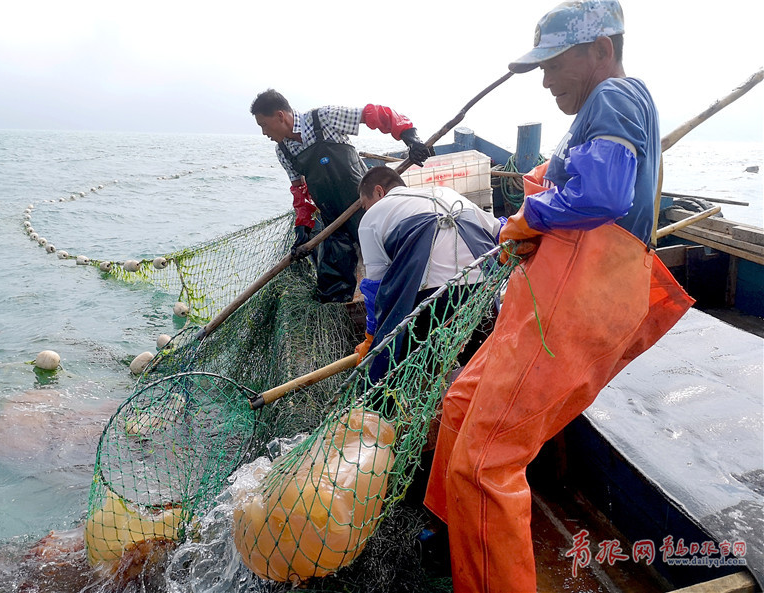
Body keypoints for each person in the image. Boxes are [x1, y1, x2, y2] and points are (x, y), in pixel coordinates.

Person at [423, 1, 695, 591]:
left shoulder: (615, 96)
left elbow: (603, 193)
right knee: (459, 407)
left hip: (579, 301)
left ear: (602, 50)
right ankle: (460, 543)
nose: (545, 79)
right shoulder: (599, 111)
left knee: (485, 462)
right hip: (546, 299)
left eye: (554, 63)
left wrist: (531, 215)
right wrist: (530, 225)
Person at [250, 90, 433, 303]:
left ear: (280, 116)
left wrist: (410, 138)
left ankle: (418, 300)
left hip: (365, 205)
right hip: (333, 220)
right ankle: (343, 316)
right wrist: (303, 228)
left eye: (263, 124)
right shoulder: (283, 150)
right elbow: (300, 192)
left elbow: (375, 114)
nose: (264, 132)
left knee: (394, 259)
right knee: (331, 284)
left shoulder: (323, 118)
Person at [353, 166, 504, 383]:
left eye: (365, 205)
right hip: (483, 291)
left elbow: (376, 288)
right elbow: (499, 231)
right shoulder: (447, 193)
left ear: (379, 192)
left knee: (406, 366)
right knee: (481, 364)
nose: (366, 211)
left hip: (431, 302)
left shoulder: (372, 218)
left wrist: (371, 338)